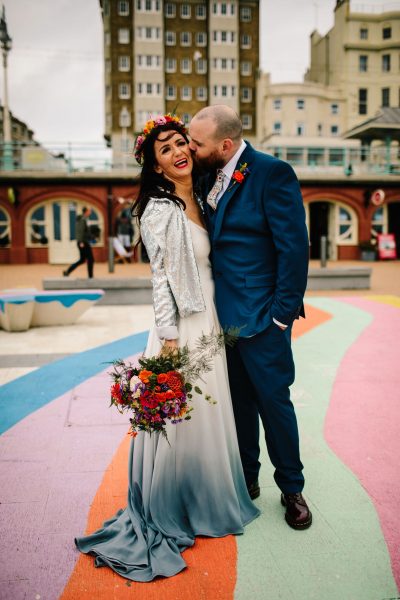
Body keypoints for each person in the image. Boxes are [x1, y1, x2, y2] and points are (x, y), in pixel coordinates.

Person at [74, 115, 259, 581]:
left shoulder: (198, 196)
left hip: (211, 318)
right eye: (166, 149)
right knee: (184, 418)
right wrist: (171, 339)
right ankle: (174, 506)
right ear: (155, 166)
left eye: (182, 143)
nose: (178, 151)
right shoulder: (158, 210)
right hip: (183, 328)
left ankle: (205, 495)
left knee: (206, 420)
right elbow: (160, 280)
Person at [188, 105, 312, 530]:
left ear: (225, 145)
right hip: (222, 320)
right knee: (238, 404)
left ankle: (292, 488)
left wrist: (280, 317)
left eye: (196, 143)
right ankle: (247, 477)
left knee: (274, 404)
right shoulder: (205, 175)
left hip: (263, 319)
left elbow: (294, 250)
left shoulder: (272, 173)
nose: (191, 148)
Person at [63, 207, 94, 278]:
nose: (90, 212)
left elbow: (86, 231)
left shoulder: (85, 219)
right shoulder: (82, 219)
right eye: (89, 210)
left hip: (84, 241)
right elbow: (80, 231)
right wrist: (80, 242)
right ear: (86, 211)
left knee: (82, 260)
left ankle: (67, 272)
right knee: (90, 259)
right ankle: (90, 276)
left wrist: (91, 236)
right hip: (83, 242)